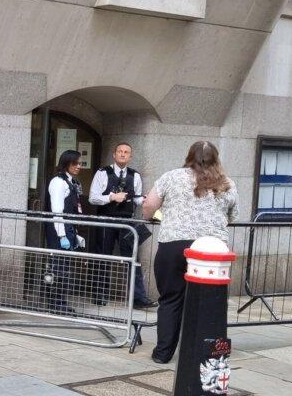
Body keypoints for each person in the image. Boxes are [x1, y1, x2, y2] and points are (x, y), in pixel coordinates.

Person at [142, 141, 238, 364]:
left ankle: (163, 353)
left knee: (170, 299)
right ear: (215, 157)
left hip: (174, 245)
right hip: (212, 250)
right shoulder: (227, 183)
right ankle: (204, 353)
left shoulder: (171, 177)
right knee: (210, 302)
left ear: (189, 156)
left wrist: (153, 217)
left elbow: (149, 206)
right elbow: (234, 216)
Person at [89, 142, 156, 309]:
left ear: (130, 156)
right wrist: (112, 197)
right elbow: (92, 197)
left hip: (127, 222)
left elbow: (136, 198)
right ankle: (99, 294)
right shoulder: (102, 173)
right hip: (105, 220)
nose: (123, 154)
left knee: (133, 259)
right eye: (120, 151)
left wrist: (145, 200)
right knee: (103, 257)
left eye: (126, 152)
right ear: (114, 154)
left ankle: (138, 298)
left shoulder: (135, 175)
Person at [44, 149, 87, 313]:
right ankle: (55, 303)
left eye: (80, 163)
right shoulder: (58, 182)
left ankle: (59, 302)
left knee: (64, 268)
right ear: (66, 163)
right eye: (74, 163)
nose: (78, 166)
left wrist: (73, 233)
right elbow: (57, 211)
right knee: (58, 268)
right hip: (58, 230)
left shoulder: (71, 182)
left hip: (68, 229)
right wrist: (62, 235)